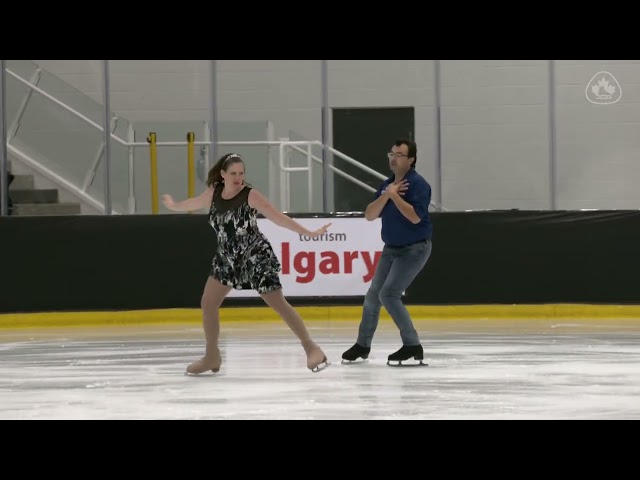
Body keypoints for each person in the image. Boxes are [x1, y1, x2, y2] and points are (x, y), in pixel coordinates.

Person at [161, 153, 331, 374]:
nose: (238, 178)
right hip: (227, 258)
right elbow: (193, 203)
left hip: (255, 257)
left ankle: (311, 348)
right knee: (208, 303)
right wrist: (173, 205)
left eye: (241, 173)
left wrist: (308, 232)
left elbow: (278, 218)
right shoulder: (213, 194)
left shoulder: (251, 196)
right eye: (233, 173)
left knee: (278, 303)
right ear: (223, 174)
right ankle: (212, 356)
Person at [342, 139, 433, 367]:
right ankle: (362, 345)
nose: (393, 158)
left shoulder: (419, 185)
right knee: (373, 297)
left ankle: (412, 345)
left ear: (411, 160)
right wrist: (387, 193)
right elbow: (370, 215)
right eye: (391, 153)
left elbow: (415, 217)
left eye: (399, 155)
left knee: (389, 294)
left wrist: (394, 196)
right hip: (391, 249)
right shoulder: (387, 184)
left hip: (414, 249)